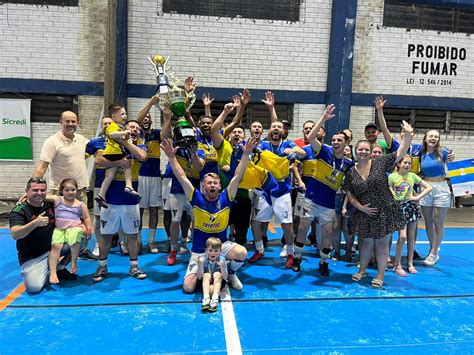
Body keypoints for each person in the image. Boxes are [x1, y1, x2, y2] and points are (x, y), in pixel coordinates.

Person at [161, 137, 257, 292]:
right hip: (200, 250)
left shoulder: (226, 197)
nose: (212, 185)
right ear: (204, 187)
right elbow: (182, 177)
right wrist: (171, 157)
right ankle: (208, 272)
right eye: (209, 183)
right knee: (188, 288)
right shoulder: (196, 197)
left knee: (241, 253)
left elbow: (237, 176)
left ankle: (231, 273)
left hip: (221, 247)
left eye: (215, 183)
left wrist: (246, 156)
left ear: (220, 186)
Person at [345, 120, 413, 288]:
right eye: (360, 149)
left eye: (366, 150)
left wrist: (409, 135)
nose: (363, 152)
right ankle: (362, 270)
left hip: (385, 210)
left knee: (382, 244)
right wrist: (361, 208)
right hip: (365, 212)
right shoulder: (351, 172)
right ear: (355, 151)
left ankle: (380, 275)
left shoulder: (380, 162)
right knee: (366, 243)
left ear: (370, 152)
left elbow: (401, 151)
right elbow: (349, 193)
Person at [294, 105, 354, 274]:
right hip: (311, 199)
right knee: (303, 228)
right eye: (334, 140)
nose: (335, 142)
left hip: (328, 203)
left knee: (327, 232)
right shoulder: (324, 151)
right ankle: (297, 258)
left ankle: (323, 262)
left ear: (346, 143)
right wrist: (323, 118)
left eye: (339, 140)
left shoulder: (349, 164)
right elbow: (312, 136)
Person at [32, 110, 97, 262]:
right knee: (61, 228)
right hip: (60, 193)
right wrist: (32, 188)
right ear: (61, 122)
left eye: (73, 121)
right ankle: (56, 257)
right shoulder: (52, 142)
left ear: (77, 123)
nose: (70, 124)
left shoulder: (82, 140)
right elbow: (42, 166)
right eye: (67, 121)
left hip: (80, 190)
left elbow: (100, 149)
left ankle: (81, 250)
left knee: (81, 224)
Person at [92, 120, 148, 282]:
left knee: (132, 235)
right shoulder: (109, 143)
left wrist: (126, 142)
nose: (135, 129)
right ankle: (102, 266)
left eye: (137, 128)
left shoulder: (140, 146)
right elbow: (98, 161)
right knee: (106, 236)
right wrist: (119, 162)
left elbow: (143, 157)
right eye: (132, 127)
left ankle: (134, 266)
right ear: (124, 129)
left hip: (130, 201)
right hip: (110, 200)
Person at [9, 178, 76, 294]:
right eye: (35, 190)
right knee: (34, 288)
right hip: (32, 256)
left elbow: (58, 198)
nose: (39, 193)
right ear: (27, 191)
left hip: (53, 248)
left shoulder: (50, 204)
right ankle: (48, 267)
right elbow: (15, 234)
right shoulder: (20, 210)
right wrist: (35, 223)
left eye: (42, 190)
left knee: (80, 238)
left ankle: (59, 268)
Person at [136, 97, 172, 253]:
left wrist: (167, 117)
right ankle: (137, 241)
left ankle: (151, 242)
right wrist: (150, 103)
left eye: (148, 118)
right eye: (144, 118)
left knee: (153, 210)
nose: (145, 120)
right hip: (139, 176)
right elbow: (136, 121)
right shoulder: (136, 134)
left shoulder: (157, 134)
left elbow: (165, 134)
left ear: (151, 121)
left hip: (155, 177)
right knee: (138, 210)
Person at [388, 155, 432, 276]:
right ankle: (397, 265)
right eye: (405, 163)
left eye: (409, 163)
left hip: (411, 207)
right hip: (398, 208)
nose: (407, 165)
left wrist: (416, 197)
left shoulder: (412, 176)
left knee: (411, 237)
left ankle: (410, 263)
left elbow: (429, 187)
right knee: (402, 237)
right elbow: (389, 190)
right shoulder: (392, 176)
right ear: (398, 164)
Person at [418, 130, 454, 266]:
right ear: (425, 139)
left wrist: (452, 158)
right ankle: (433, 248)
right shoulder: (420, 153)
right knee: (428, 221)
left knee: (438, 222)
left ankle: (433, 253)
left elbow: (451, 160)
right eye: (431, 136)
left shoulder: (443, 151)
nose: (433, 138)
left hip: (441, 188)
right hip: (426, 187)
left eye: (436, 136)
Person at [95, 104, 140, 208]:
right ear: (114, 117)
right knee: (127, 165)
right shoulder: (113, 126)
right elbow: (111, 135)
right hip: (114, 152)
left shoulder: (119, 127)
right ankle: (128, 185)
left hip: (112, 153)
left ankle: (101, 195)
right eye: (122, 114)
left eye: (125, 114)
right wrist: (124, 133)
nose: (125, 116)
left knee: (110, 175)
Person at [47, 178, 92, 284]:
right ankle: (53, 272)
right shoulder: (57, 199)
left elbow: (87, 218)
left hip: (74, 227)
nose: (70, 192)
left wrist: (89, 228)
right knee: (56, 246)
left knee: (75, 239)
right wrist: (27, 196)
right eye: (67, 190)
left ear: (77, 190)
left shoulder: (80, 205)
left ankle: (74, 262)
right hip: (60, 228)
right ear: (62, 191)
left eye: (73, 189)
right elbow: (42, 196)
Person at [85, 116, 113, 256]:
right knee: (97, 216)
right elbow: (79, 158)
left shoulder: (120, 141)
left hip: (116, 185)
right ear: (102, 126)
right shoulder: (94, 142)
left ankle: (122, 243)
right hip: (99, 185)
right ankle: (97, 244)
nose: (107, 125)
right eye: (105, 123)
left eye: (110, 123)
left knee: (116, 214)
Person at [197, 237, 228, 312]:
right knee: (206, 274)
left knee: (217, 273)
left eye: (216, 250)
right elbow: (199, 277)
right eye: (210, 250)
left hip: (218, 282)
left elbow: (225, 277)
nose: (213, 253)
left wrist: (223, 267)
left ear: (220, 251)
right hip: (205, 282)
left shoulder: (222, 259)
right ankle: (206, 298)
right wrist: (200, 266)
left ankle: (215, 298)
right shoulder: (202, 259)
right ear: (206, 251)